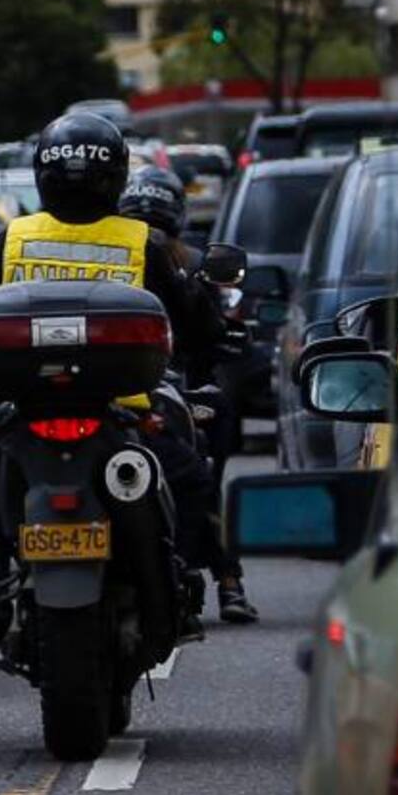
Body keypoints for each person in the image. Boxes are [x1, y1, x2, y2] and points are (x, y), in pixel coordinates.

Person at [0, 112, 227, 642]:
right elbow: (195, 318)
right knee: (190, 479)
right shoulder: (142, 242)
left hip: (27, 410)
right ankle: (185, 582)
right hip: (128, 408)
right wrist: (214, 337)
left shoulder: (11, 239)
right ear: (117, 177)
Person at [118, 167, 259, 625]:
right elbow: (207, 324)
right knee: (202, 470)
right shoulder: (167, 257)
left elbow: (209, 324)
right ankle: (225, 579)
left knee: (207, 451)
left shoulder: (136, 251)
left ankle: (222, 575)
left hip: (147, 389)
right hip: (136, 391)